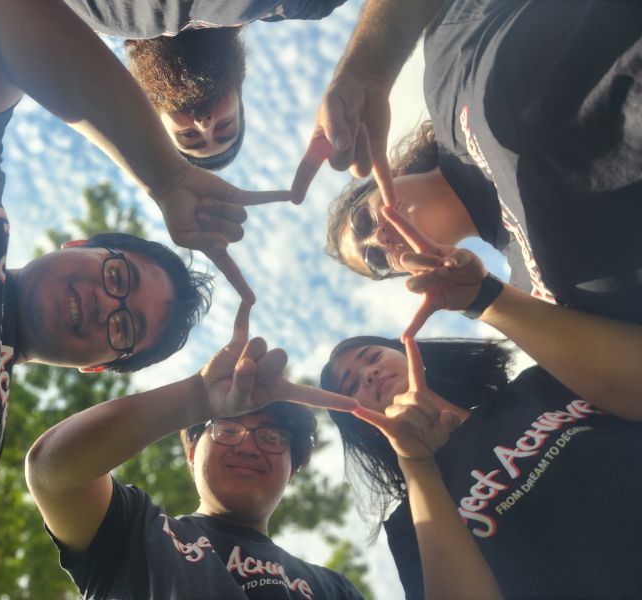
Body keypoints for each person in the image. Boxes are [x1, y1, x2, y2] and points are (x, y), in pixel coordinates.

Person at [0, 0, 293, 592]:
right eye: (118, 277)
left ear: (97, 364)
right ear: (79, 244)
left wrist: (200, 397)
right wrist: (167, 177)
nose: (108, 305)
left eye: (124, 329)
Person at [294, 0, 642, 326]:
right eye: (377, 260)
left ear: (393, 173)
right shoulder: (533, 294)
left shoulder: (444, 71)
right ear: (410, 272)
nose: (379, 240)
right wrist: (490, 304)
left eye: (362, 222)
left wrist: (366, 72)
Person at [25, 303, 365, 599]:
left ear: (292, 470)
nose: (248, 445)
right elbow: (52, 471)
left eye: (273, 437)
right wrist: (198, 395)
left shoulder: (334, 589)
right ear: (191, 453)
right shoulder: (135, 534)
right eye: (227, 429)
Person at [320, 333, 642, 598]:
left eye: (373, 357)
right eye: (352, 385)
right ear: (362, 426)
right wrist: (417, 465)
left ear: (410, 352)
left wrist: (487, 299)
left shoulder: (537, 385)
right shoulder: (413, 522)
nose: (369, 373)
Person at [61, 0, 347, 169]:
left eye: (188, 136)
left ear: (156, 115)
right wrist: (365, 67)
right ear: (238, 94)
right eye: (225, 126)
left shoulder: (85, 16)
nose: (204, 124)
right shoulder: (298, 5)